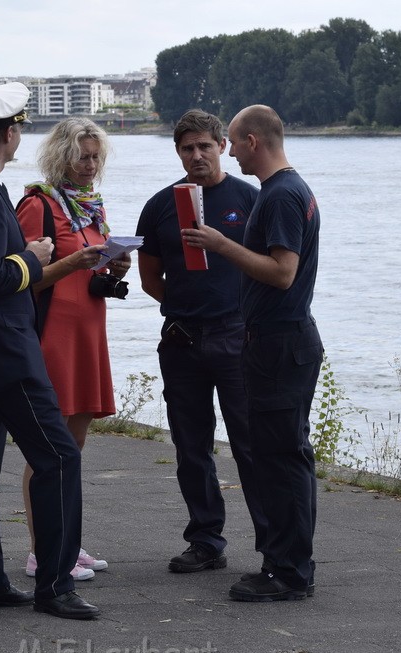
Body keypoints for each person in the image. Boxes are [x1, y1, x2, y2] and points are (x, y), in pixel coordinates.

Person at [0, 82, 100, 620]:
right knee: (58, 457)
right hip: (6, 353)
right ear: (8, 134)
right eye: (17, 131)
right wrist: (32, 256)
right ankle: (55, 585)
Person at [181, 104, 323, 602]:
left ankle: (288, 571)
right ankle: (287, 563)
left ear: (253, 142)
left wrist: (222, 244)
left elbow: (282, 272)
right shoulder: (288, 189)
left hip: (279, 342)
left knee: (281, 461)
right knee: (284, 457)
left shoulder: (282, 194)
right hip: (281, 341)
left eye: (234, 143)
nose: (230, 152)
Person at [135, 109, 267, 574]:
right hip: (182, 340)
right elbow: (150, 276)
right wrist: (187, 304)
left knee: (251, 445)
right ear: (178, 152)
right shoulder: (160, 205)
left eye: (205, 147)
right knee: (192, 448)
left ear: (223, 147)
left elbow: (271, 267)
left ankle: (273, 546)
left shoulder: (249, 200)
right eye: (187, 149)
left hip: (237, 339)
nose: (196, 156)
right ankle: (206, 540)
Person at [15, 117, 131, 581]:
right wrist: (73, 262)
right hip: (54, 335)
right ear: (61, 156)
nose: (90, 165)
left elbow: (93, 278)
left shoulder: (91, 208)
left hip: (88, 331)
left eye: (96, 156)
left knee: (75, 443)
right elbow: (23, 276)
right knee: (47, 447)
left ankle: (66, 541)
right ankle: (41, 552)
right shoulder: (38, 205)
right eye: (82, 156)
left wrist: (115, 269)